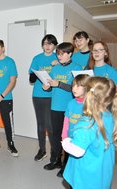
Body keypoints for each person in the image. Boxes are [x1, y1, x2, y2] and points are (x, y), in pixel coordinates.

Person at [62, 77, 117, 189]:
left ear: (88, 95)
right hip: (102, 173)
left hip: (86, 177)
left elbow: (77, 150)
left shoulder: (86, 124)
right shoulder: (110, 116)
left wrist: (66, 141)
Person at [42, 42, 82, 170]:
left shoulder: (77, 69)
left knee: (68, 137)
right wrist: (46, 87)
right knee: (55, 135)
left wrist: (59, 84)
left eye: (62, 53)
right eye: (58, 53)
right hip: (55, 107)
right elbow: (51, 87)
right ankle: (55, 160)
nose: (59, 56)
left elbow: (77, 89)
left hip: (69, 108)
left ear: (70, 54)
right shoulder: (55, 68)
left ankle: (66, 166)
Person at [28, 34, 58, 161]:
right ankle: (42, 150)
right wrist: (39, 74)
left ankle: (54, 152)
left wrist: (58, 65)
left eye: (50, 43)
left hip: (52, 96)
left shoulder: (58, 58)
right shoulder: (37, 58)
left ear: (55, 45)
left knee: (50, 125)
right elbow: (31, 79)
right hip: (37, 95)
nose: (47, 46)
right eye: (45, 43)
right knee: (41, 125)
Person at [57, 74, 90, 178]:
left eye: (78, 86)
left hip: (81, 143)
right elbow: (66, 121)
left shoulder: (89, 105)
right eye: (73, 85)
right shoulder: (71, 103)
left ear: (87, 87)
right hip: (69, 140)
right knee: (69, 163)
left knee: (80, 167)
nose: (74, 89)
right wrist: (64, 136)